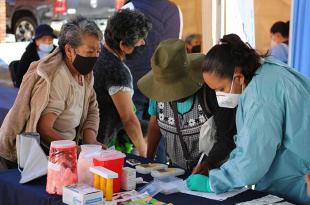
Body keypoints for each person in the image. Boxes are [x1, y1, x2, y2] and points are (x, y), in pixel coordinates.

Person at [186, 34, 310, 205]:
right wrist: (221, 169)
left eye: (221, 88)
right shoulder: (267, 71)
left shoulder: (260, 95)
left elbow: (254, 159)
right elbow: (248, 143)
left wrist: (214, 182)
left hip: (298, 181)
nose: (219, 95)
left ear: (238, 77)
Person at [0, 16, 103, 170]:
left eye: (98, 51)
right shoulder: (58, 77)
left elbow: (91, 107)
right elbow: (44, 128)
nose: (95, 56)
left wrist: (91, 142)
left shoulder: (85, 73)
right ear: (69, 50)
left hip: (66, 148)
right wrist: (75, 150)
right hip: (43, 154)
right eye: (90, 51)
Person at [138, 39, 236, 172]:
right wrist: (149, 157)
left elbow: (226, 137)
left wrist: (208, 165)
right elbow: (155, 123)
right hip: (176, 171)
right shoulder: (157, 95)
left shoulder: (210, 90)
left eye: (175, 89)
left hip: (214, 172)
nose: (171, 96)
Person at [122, 0, 183, 163]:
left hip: (133, 81)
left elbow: (118, 46)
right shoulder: (173, 9)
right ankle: (158, 168)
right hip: (163, 81)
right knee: (158, 130)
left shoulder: (130, 7)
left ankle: (136, 171)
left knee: (132, 129)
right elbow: (175, 45)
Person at [93, 9, 152, 157]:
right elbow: (128, 119)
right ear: (123, 45)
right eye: (139, 40)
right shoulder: (118, 71)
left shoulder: (96, 52)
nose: (143, 42)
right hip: (101, 142)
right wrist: (144, 152)